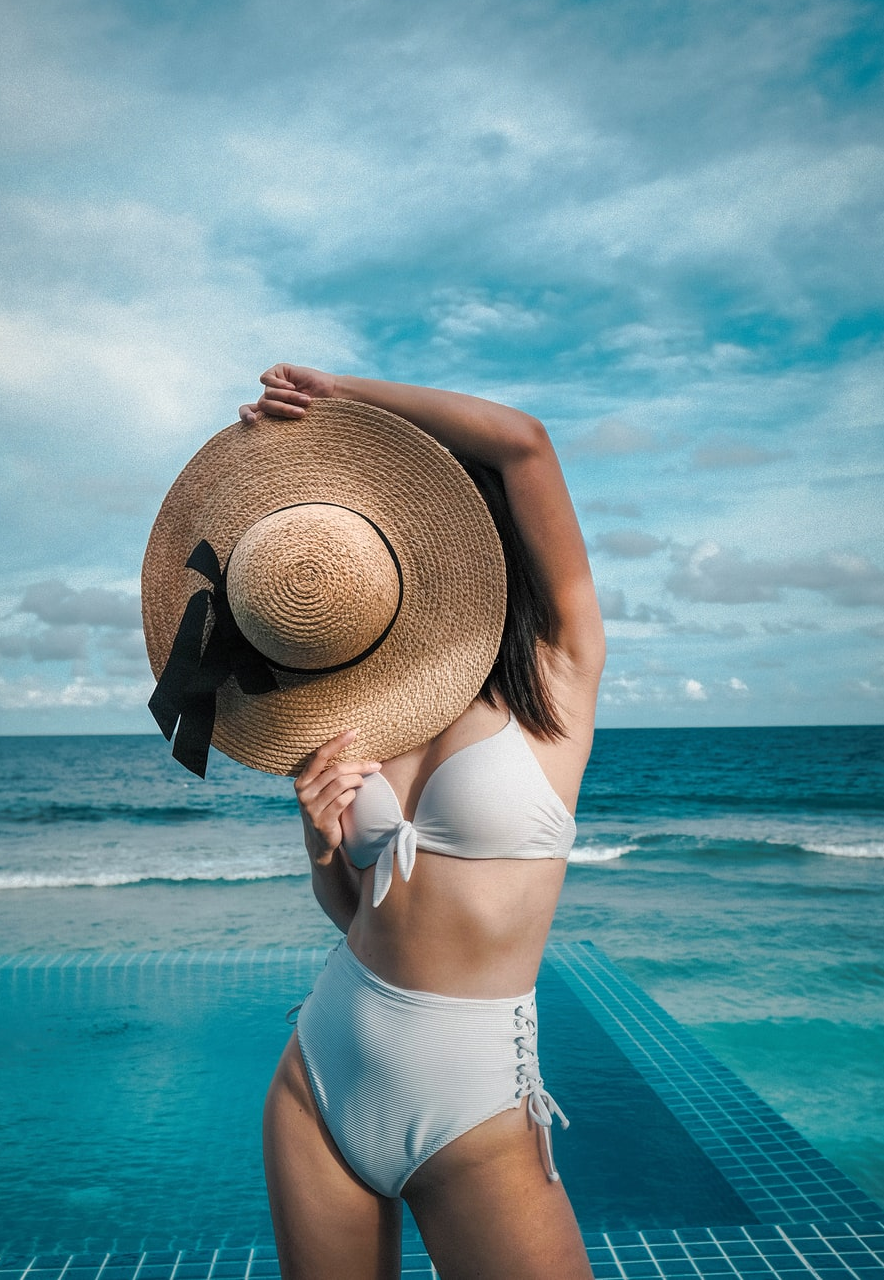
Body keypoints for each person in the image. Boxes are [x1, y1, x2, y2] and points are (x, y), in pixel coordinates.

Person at [237, 365, 605, 1280]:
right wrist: (319, 837)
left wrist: (337, 400)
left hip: (473, 1103)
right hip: (319, 1077)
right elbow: (356, 910)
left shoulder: (561, 668)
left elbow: (525, 440)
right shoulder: (357, 696)